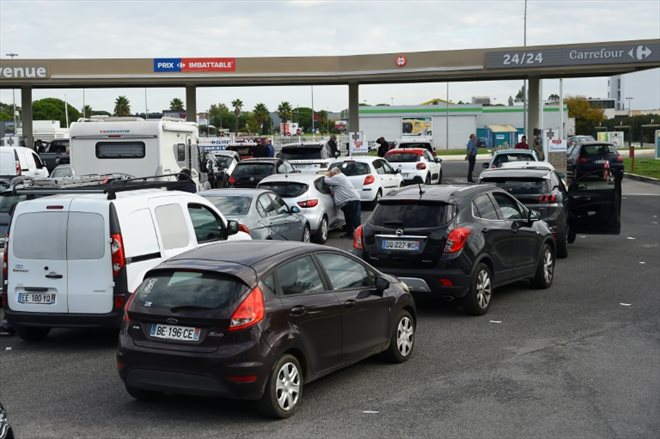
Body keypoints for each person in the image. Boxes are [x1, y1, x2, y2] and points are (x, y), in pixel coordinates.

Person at [324, 167, 362, 238]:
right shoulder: (340, 177)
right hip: (351, 199)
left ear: (334, 173)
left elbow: (326, 181)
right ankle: (350, 233)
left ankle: (358, 235)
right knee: (349, 218)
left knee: (353, 218)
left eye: (331, 174)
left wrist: (326, 175)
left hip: (350, 200)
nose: (331, 175)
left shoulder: (338, 177)